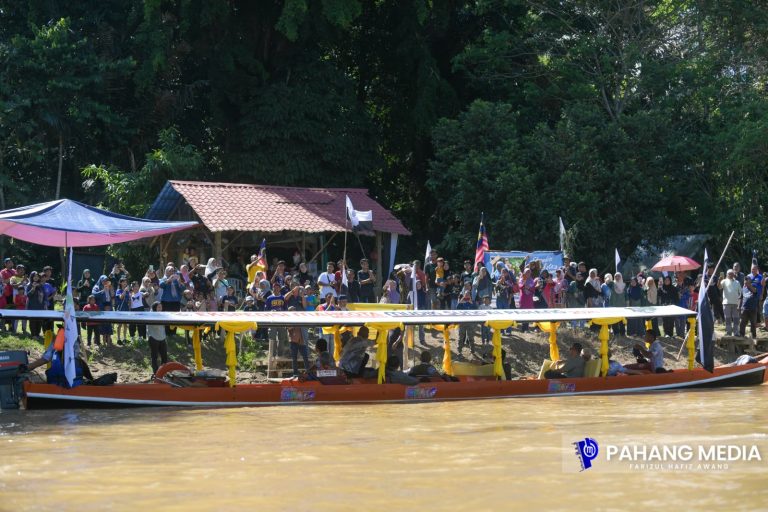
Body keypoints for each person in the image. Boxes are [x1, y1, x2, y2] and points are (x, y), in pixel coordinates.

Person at [146, 302, 169, 377]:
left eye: (161, 307)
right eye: (159, 307)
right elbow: (155, 325)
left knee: (164, 357)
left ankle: (164, 372)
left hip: (162, 337)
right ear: (154, 308)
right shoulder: (150, 315)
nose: (160, 309)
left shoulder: (162, 315)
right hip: (153, 337)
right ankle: (156, 373)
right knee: (154, 357)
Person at [286, 307, 310, 376]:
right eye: (292, 311)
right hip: (293, 341)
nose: (293, 312)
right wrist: (295, 323)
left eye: (294, 311)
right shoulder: (287, 319)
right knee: (294, 358)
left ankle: (308, 371)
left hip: (301, 340)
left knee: (305, 356)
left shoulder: (300, 318)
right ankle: (295, 372)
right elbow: (289, 328)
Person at [719, 269, 742, 337]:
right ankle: (728, 332)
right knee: (727, 318)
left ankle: (736, 333)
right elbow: (719, 287)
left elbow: (740, 293)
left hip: (735, 303)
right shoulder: (723, 281)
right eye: (729, 273)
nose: (730, 275)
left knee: (736, 319)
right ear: (727, 274)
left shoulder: (737, 282)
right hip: (726, 303)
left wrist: (739, 303)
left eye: (732, 273)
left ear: (733, 274)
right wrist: (719, 280)